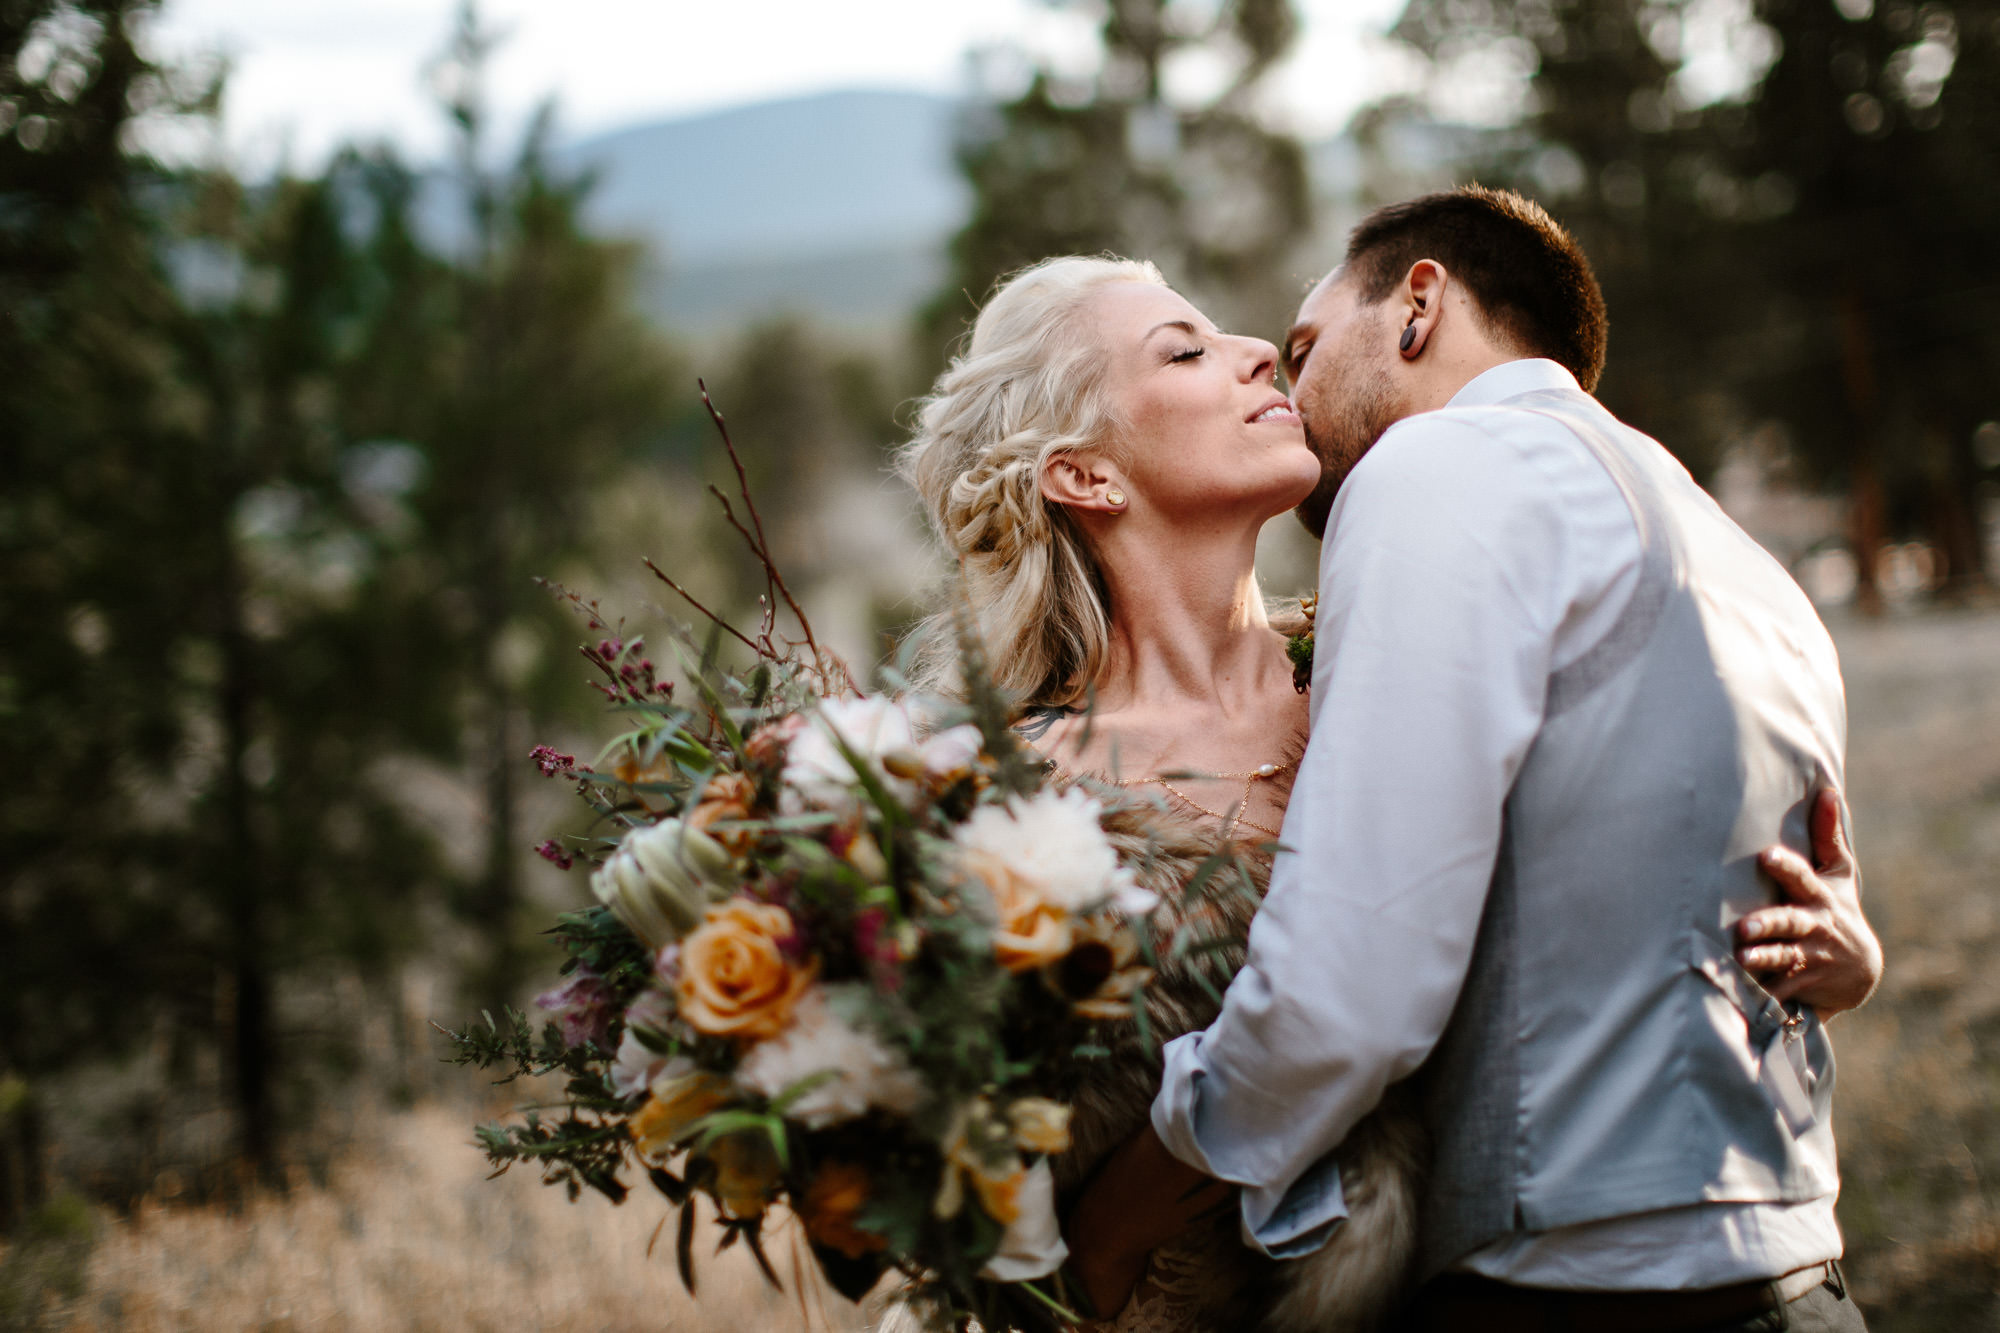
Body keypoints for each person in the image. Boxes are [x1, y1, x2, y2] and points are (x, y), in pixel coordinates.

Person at [897, 238, 1879, 1330]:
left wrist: (1820, 941)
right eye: (1182, 352)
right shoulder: (997, 798)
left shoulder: (1397, 661)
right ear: (1082, 471)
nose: (1257, 355)